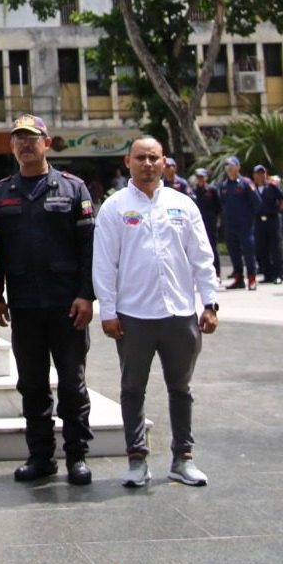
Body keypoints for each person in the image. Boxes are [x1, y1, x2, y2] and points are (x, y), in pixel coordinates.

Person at [93, 137, 219, 488]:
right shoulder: (114, 207)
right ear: (127, 161)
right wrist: (107, 310)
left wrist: (209, 303)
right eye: (140, 158)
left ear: (164, 161)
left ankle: (183, 458)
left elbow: (202, 257)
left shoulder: (183, 205)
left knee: (180, 387)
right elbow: (104, 263)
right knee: (133, 388)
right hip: (133, 315)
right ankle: (137, 459)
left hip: (180, 312)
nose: (147, 164)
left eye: (153, 158)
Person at [0, 114, 96, 486]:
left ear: (47, 143)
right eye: (18, 139)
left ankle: (77, 456)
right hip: (25, 307)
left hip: (67, 306)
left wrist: (86, 294)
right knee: (32, 385)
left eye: (32, 138)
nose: (25, 145)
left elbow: (88, 248)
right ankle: (41, 456)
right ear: (13, 147)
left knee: (71, 384)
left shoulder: (73, 188)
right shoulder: (1, 192)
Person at [216, 156, 260, 289]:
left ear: (238, 167)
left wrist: (250, 217)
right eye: (227, 166)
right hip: (230, 225)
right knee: (234, 252)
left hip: (245, 224)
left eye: (232, 165)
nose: (229, 168)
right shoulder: (223, 185)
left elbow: (257, 202)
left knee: (248, 252)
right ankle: (238, 279)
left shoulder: (246, 183)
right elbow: (222, 203)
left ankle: (252, 279)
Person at [251, 164, 283, 285]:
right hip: (258, 220)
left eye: (263, 173)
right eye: (258, 173)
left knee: (275, 248)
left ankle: (278, 275)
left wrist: (277, 211)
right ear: (254, 175)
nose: (261, 175)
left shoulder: (271, 187)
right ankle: (267, 274)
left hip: (272, 220)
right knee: (261, 248)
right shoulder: (251, 188)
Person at [191, 168, 222, 279]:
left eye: (202, 177)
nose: (200, 179)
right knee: (197, 248)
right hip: (197, 223)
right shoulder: (193, 191)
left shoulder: (212, 190)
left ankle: (217, 274)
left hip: (210, 223)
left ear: (206, 178)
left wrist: (217, 220)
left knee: (212, 248)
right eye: (198, 177)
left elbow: (219, 207)